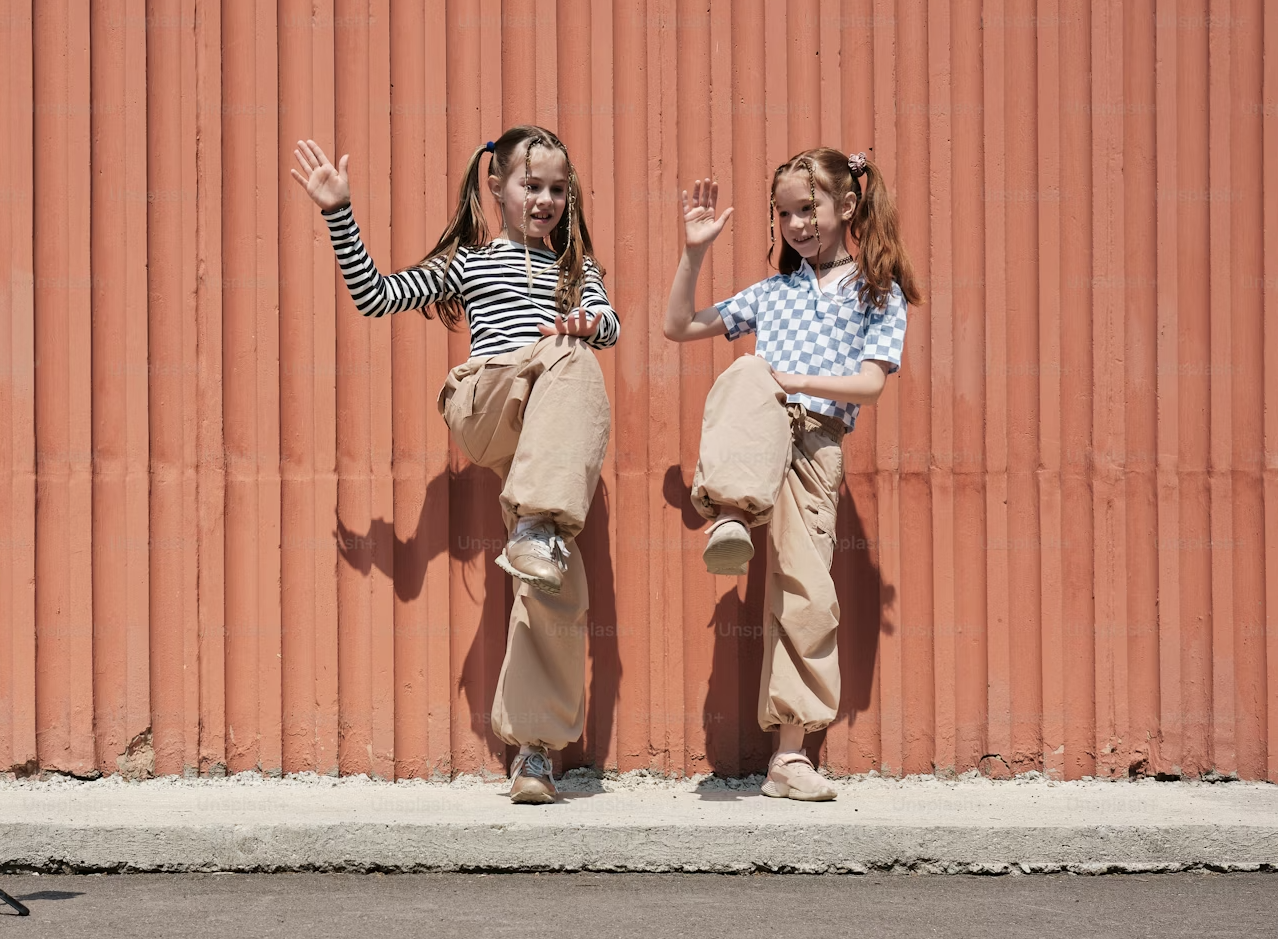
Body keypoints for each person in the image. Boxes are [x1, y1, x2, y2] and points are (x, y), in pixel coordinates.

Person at [291, 125, 619, 805]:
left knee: (554, 581)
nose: (547, 200)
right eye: (533, 186)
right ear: (496, 187)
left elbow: (610, 323)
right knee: (563, 358)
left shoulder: (576, 267)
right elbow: (375, 296)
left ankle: (534, 752)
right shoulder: (471, 261)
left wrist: (588, 324)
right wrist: (337, 213)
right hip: (487, 398)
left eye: (559, 189)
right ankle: (542, 522)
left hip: (542, 435)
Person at [662, 148, 920, 802]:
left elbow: (869, 385)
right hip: (761, 430)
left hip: (817, 444)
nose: (797, 224)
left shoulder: (876, 290)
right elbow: (679, 326)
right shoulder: (770, 294)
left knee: (805, 596)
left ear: (847, 207)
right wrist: (694, 252)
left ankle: (787, 759)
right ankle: (730, 511)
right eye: (784, 213)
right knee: (745, 371)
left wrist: (797, 382)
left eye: (809, 209)